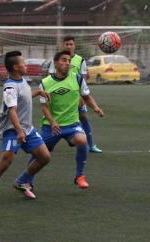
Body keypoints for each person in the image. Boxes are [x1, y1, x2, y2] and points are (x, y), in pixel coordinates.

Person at [16, 50, 104, 190]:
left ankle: (79, 176)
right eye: (63, 60)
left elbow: (86, 96)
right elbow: (43, 106)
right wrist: (52, 121)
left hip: (72, 124)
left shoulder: (77, 78)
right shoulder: (45, 83)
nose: (67, 63)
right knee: (38, 153)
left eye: (69, 61)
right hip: (51, 126)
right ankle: (27, 180)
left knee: (82, 141)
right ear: (56, 63)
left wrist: (96, 107)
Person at [0, 51, 51, 204]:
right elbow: (12, 110)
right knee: (6, 161)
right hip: (13, 130)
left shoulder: (22, 81)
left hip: (27, 128)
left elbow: (22, 97)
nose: (25, 65)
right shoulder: (10, 87)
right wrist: (18, 131)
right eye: (23, 63)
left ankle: (22, 181)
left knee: (44, 157)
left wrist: (37, 92)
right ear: (15, 67)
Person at [49, 36, 102, 153]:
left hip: (75, 96)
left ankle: (91, 145)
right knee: (54, 119)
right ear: (63, 45)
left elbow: (82, 79)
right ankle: (48, 143)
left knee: (83, 118)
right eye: (66, 44)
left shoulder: (80, 60)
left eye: (71, 44)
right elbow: (51, 78)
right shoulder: (56, 60)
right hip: (59, 96)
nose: (69, 46)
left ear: (74, 45)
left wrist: (80, 96)